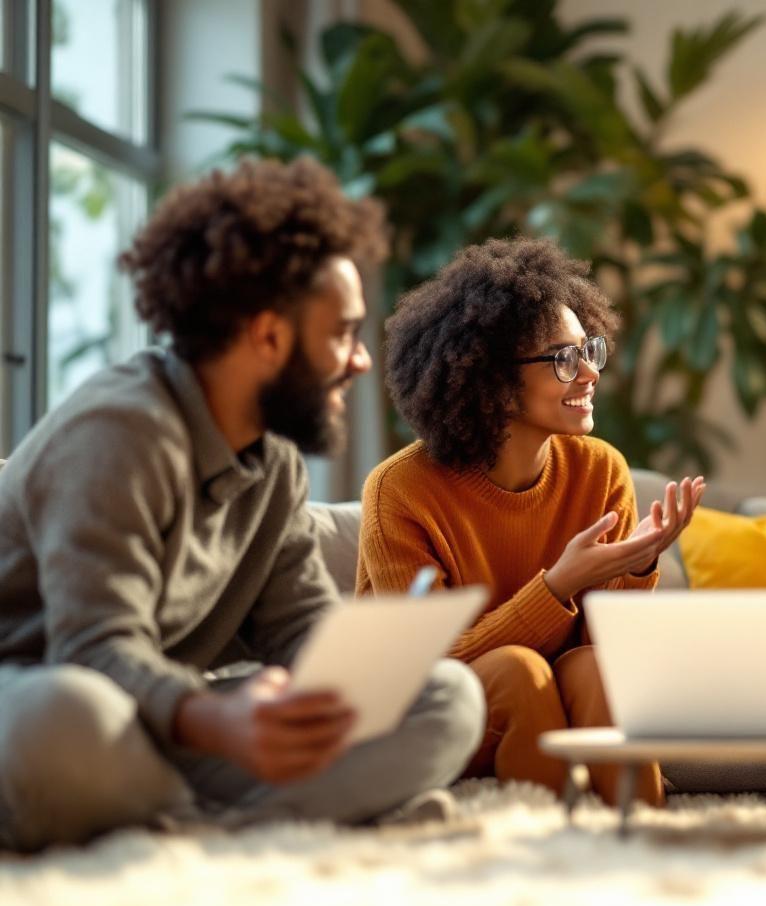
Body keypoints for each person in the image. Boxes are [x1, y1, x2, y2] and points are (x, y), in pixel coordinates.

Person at [0, 158, 484, 852]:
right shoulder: (118, 433)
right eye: (343, 333)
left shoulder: (274, 456)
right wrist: (212, 718)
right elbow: (93, 649)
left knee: (446, 695)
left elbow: (298, 621)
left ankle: (204, 830)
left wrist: (354, 672)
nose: (361, 360)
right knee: (65, 717)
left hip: (162, 721)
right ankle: (255, 821)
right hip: (45, 699)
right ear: (267, 336)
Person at [357, 238, 703, 807]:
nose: (590, 372)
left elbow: (611, 648)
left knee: (596, 667)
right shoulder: (400, 491)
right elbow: (424, 669)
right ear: (491, 381)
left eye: (589, 349)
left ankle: (645, 844)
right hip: (429, 718)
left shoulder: (600, 471)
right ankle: (544, 856)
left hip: (554, 709)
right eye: (564, 359)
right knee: (517, 670)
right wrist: (556, 586)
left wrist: (638, 565)